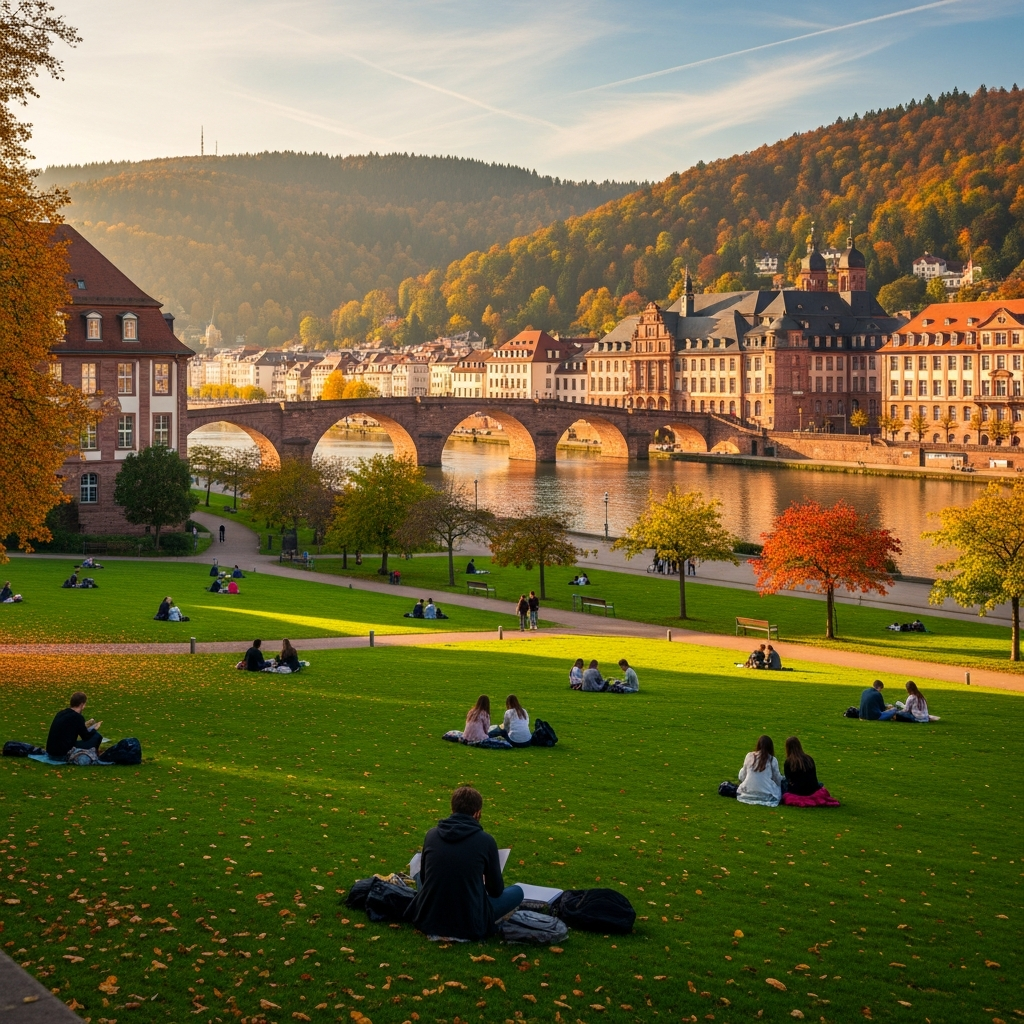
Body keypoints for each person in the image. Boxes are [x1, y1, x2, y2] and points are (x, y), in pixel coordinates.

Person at [408, 785, 524, 941]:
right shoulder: (486, 841)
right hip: (470, 922)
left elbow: (424, 878)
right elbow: (496, 891)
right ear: (477, 813)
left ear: (453, 809)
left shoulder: (432, 835)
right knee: (517, 892)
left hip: (429, 918)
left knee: (420, 869)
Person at [46, 691, 102, 759]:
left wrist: (85, 725)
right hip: (63, 753)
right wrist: (95, 728)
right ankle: (94, 756)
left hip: (51, 751)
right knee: (97, 736)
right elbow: (85, 737)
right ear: (82, 704)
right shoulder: (77, 717)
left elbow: (71, 727)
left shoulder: (61, 713)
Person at [735, 735, 782, 807]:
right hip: (766, 794)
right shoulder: (772, 760)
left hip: (747, 791)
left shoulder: (749, 756)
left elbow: (742, 776)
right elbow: (778, 779)